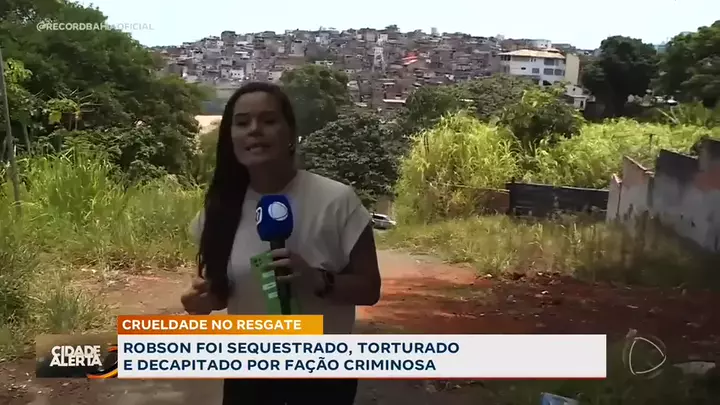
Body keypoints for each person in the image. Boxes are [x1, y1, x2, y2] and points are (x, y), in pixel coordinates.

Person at [180, 81, 382, 405]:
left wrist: (317, 280)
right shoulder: (219, 210)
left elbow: (370, 289)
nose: (254, 130)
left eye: (269, 120)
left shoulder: (337, 200)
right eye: (242, 123)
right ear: (230, 138)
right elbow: (218, 292)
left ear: (291, 133)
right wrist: (199, 302)